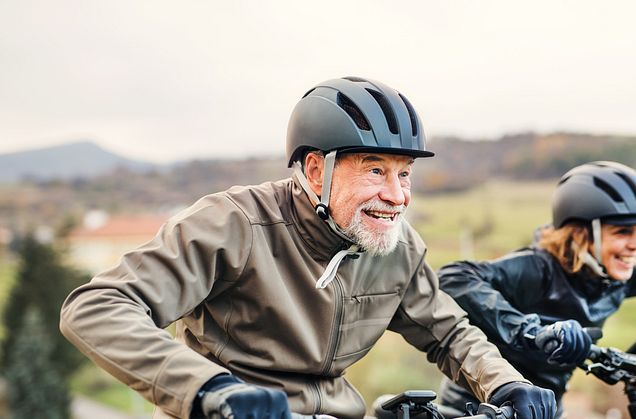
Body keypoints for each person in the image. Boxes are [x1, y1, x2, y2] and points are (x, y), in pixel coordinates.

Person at [60, 77, 556, 419]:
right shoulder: (233, 223)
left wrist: (504, 383)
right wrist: (211, 390)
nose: (398, 195)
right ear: (316, 170)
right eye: (375, 170)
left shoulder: (397, 246)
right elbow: (95, 307)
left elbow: (449, 333)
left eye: (404, 174)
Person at [437, 161, 636, 418]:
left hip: (546, 408)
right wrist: (531, 331)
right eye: (623, 231)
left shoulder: (620, 270)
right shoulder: (538, 269)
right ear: (582, 233)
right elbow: (452, 277)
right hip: (480, 408)